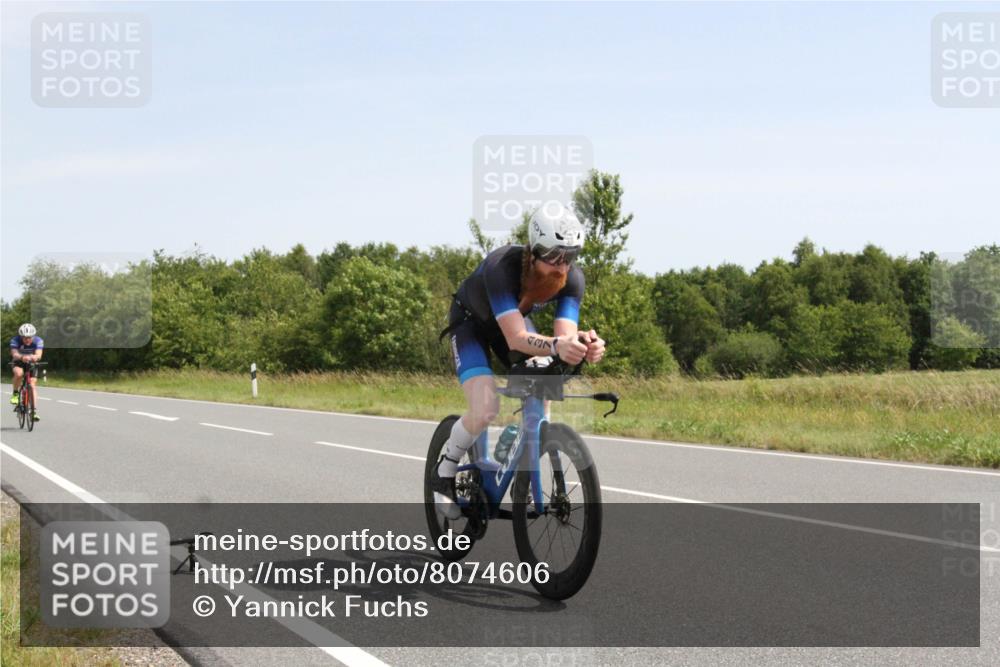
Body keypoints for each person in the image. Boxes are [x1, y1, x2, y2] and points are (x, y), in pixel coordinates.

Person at [432, 208, 606, 518]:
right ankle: (444, 471)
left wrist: (582, 346)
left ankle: (517, 448)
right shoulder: (504, 266)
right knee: (485, 406)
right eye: (554, 255)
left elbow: (562, 337)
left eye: (570, 255)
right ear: (534, 251)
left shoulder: (572, 278)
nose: (562, 265)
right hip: (472, 324)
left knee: (547, 377)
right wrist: (556, 345)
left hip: (513, 325)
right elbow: (515, 338)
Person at [10, 323, 44, 420]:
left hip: (32, 362)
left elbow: (39, 354)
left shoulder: (38, 340)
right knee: (19, 373)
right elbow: (14, 354)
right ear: (21, 336)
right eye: (24, 338)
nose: (27, 339)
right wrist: (22, 357)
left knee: (32, 385)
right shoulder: (15, 340)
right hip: (19, 361)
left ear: (33, 336)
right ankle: (15, 394)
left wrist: (35, 357)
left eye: (29, 337)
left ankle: (33, 411)